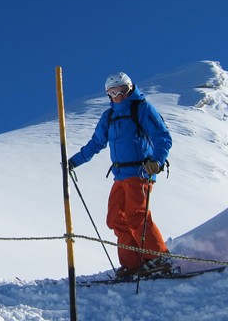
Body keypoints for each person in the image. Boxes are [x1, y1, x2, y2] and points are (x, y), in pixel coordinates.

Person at [68, 72, 173, 279]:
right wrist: (74, 162)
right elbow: (97, 143)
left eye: (121, 91)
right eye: (112, 92)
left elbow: (162, 136)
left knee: (136, 215)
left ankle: (158, 258)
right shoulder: (109, 116)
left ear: (130, 89)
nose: (118, 96)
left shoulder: (141, 108)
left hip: (141, 171)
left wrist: (157, 161)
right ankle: (132, 264)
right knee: (116, 218)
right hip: (120, 174)